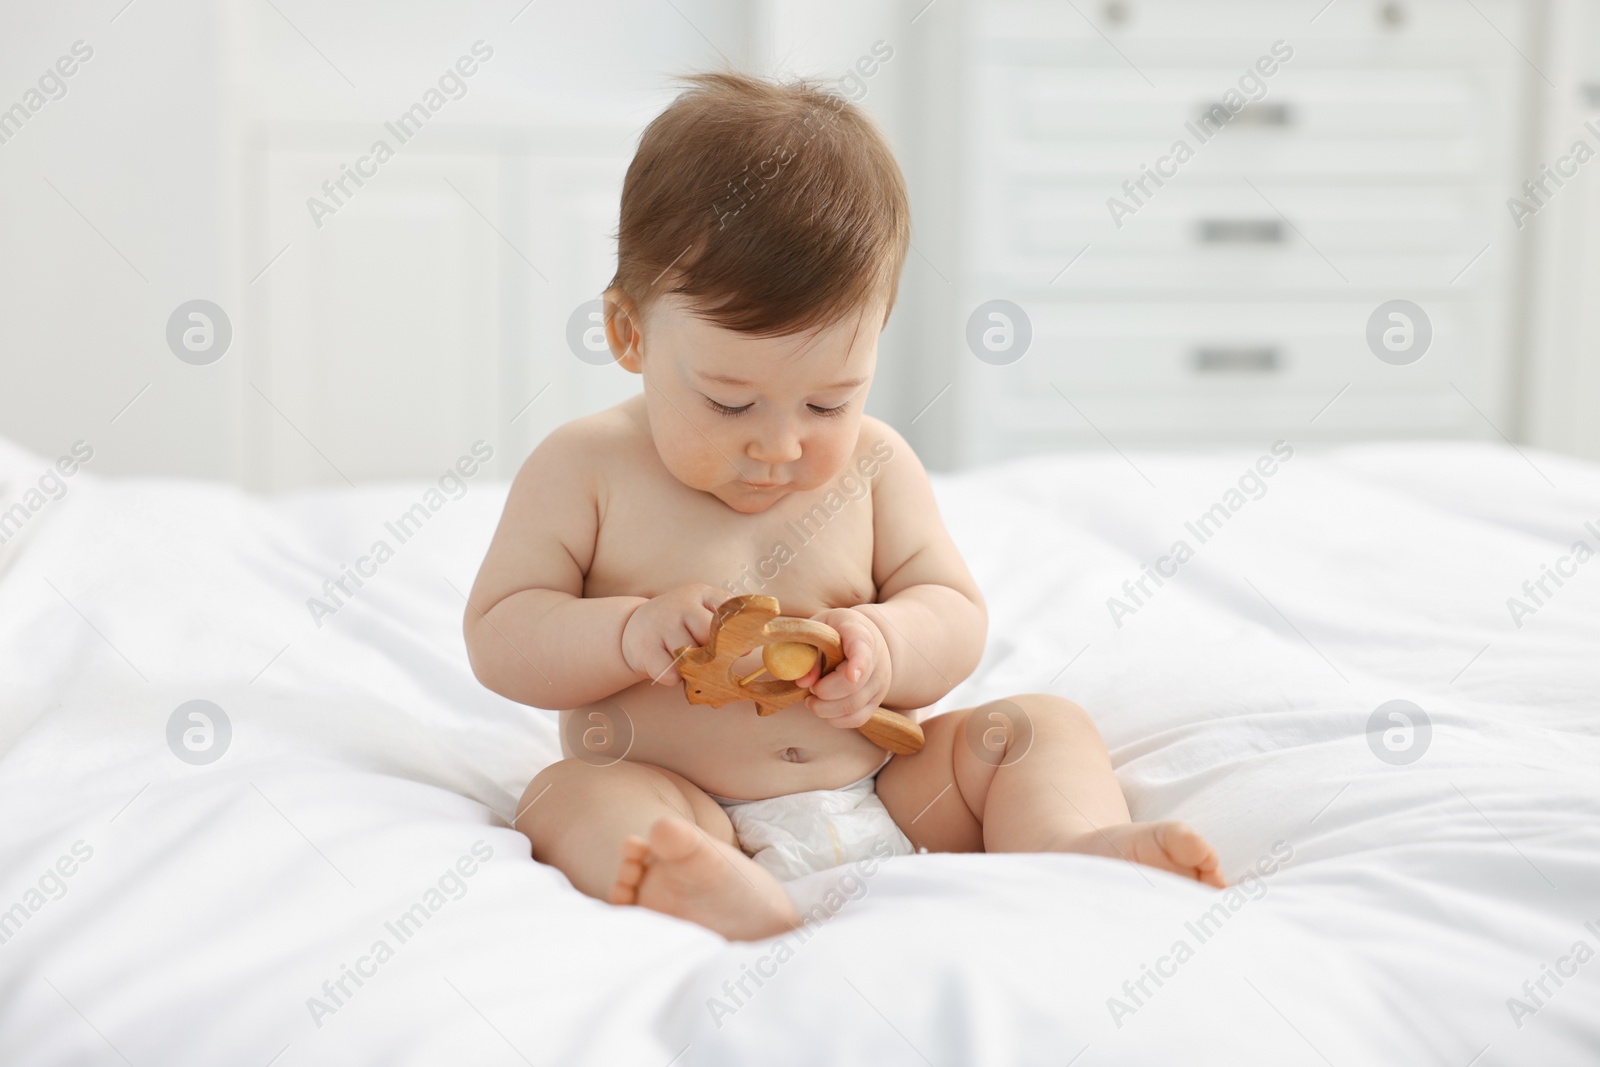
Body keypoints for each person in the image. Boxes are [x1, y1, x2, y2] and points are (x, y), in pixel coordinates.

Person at [465, 71, 1222, 941]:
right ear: (630, 333)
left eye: (828, 402)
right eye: (729, 401)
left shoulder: (875, 464)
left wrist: (886, 647)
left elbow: (953, 611)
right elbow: (503, 634)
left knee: (1039, 727)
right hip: (681, 793)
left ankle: (1070, 844)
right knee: (567, 796)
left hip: (886, 789)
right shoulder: (585, 467)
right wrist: (626, 633)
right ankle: (695, 883)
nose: (782, 445)